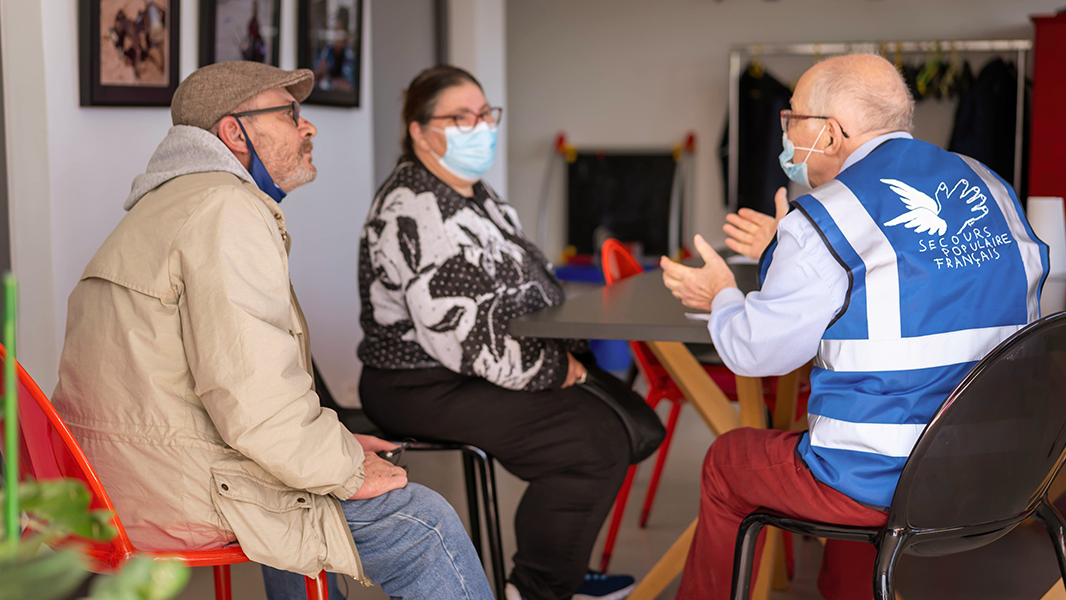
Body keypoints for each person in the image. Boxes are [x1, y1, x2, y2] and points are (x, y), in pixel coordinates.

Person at [51, 61, 494, 600]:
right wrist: (348, 470)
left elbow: (232, 400)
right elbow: (254, 401)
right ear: (235, 132)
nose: (308, 127)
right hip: (173, 490)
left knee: (301, 476)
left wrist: (330, 447)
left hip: (113, 483)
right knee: (422, 524)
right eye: (289, 114)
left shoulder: (169, 203)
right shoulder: (226, 211)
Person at [661, 53, 1049, 600]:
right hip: (1006, 470)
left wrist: (720, 294)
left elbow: (753, 351)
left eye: (792, 117)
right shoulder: (989, 183)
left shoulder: (827, 215)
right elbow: (916, 277)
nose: (785, 133)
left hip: (887, 482)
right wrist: (784, 247)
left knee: (729, 461)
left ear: (829, 133)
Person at [356, 65, 635, 600]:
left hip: (470, 366)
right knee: (591, 442)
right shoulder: (415, 206)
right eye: (461, 117)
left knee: (612, 414)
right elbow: (459, 335)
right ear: (419, 131)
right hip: (419, 381)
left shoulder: (474, 194)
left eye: (484, 114)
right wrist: (553, 367)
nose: (480, 127)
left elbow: (525, 279)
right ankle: (536, 588)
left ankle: (562, 569)